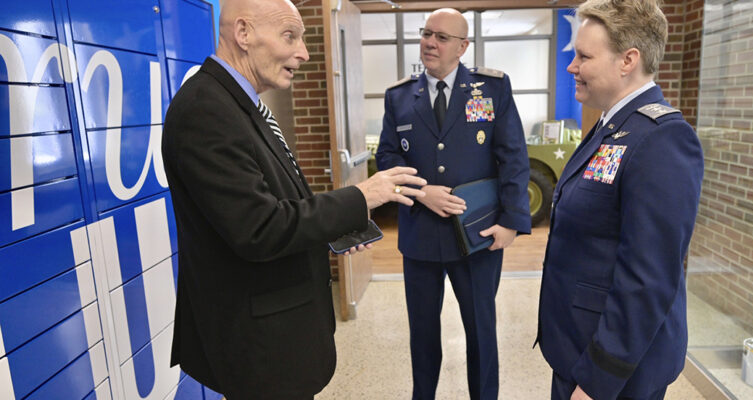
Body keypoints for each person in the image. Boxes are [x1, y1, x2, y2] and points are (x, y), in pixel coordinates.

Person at [161, 0, 426, 398]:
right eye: (290, 36)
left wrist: (337, 226)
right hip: (259, 347)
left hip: (279, 337)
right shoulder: (206, 110)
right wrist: (360, 197)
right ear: (244, 33)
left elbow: (276, 202)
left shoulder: (239, 103)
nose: (303, 52)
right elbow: (260, 229)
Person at [535, 1, 704, 399]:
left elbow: (649, 278)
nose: (571, 66)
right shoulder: (611, 126)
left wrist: (598, 379)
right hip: (578, 348)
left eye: (583, 56)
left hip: (616, 372)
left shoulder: (661, 139)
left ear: (628, 60)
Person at [375, 8, 530, 400]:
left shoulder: (491, 89)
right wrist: (421, 192)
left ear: (462, 47)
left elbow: (513, 156)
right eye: (427, 33)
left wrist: (511, 221)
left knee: (481, 330)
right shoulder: (399, 97)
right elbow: (388, 157)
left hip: (477, 234)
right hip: (420, 237)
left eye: (442, 37)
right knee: (422, 334)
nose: (430, 42)